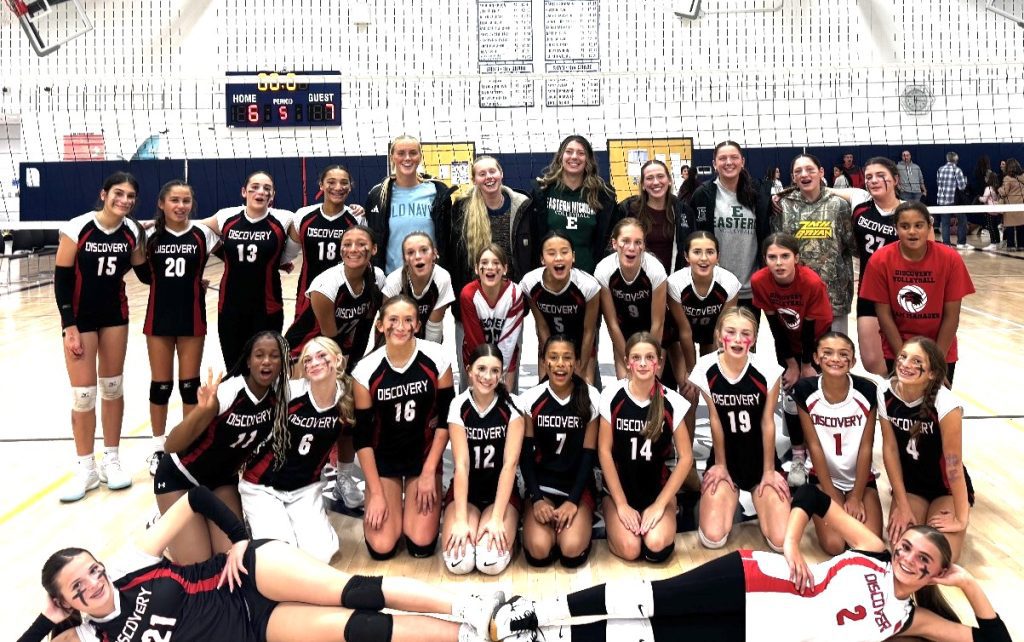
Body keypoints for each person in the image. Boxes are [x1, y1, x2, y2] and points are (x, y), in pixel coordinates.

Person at [488, 485, 1011, 642]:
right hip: (752, 577)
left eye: (925, 561)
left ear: (933, 574)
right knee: (649, 598)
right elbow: (810, 495)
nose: (909, 559)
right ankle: (538, 610)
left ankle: (545, 638)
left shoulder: (910, 619)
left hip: (755, 633)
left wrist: (965, 582)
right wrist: (789, 546)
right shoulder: (874, 551)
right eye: (909, 548)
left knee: (648, 637)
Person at [21, 487, 510, 642]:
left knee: (355, 591)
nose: (94, 583)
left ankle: (471, 602)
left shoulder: (131, 561)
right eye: (77, 587)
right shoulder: (85, 637)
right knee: (359, 630)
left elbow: (192, 499)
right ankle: (475, 634)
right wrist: (46, 620)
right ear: (66, 602)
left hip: (248, 571)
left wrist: (238, 540)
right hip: (255, 627)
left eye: (92, 570)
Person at [152, 331, 290, 564]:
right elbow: (171, 445)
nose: (267, 361)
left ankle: (187, 525)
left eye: (274, 356)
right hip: (179, 477)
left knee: (229, 559)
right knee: (200, 564)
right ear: (248, 361)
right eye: (259, 355)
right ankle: (164, 531)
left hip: (221, 481)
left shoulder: (281, 395)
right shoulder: (228, 392)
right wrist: (203, 411)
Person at [55, 172, 147, 502]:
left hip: (114, 316)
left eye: (131, 196)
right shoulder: (77, 227)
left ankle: (112, 459)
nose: (124, 201)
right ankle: (86, 468)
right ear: (104, 194)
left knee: (112, 387)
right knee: (83, 395)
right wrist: (69, 326)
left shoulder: (133, 231)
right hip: (80, 318)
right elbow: (62, 280)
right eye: (118, 194)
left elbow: (144, 273)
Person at [352, 295, 455, 560]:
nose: (401, 326)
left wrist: (430, 471)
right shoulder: (365, 370)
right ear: (381, 325)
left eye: (408, 320)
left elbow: (446, 421)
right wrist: (374, 492)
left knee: (420, 543)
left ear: (418, 325)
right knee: (383, 547)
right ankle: (388, 498)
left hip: (423, 459)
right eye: (393, 320)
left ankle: (413, 503)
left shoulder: (437, 357)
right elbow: (362, 439)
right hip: (385, 461)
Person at [239, 337, 352, 563]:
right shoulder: (288, 393)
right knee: (280, 556)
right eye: (308, 359)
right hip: (263, 485)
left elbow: (347, 440)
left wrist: (344, 475)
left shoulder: (346, 400)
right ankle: (254, 522)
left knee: (322, 556)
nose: (315, 362)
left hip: (305, 488)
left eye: (322, 356)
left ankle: (293, 521)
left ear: (337, 360)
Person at [688, 308, 790, 552]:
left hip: (760, 461)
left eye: (745, 333)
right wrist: (720, 464)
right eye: (730, 332)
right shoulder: (705, 367)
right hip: (728, 460)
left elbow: (768, 422)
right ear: (718, 335)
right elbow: (714, 419)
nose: (737, 339)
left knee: (780, 541)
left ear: (753, 339)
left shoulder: (768, 369)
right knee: (713, 538)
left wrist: (768, 471)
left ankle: (767, 496)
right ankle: (721, 497)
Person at [140, 180, 218, 476]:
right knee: (160, 386)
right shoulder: (148, 235)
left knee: (189, 386)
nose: (181, 206)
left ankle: (187, 444)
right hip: (158, 317)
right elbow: (141, 271)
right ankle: (159, 448)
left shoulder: (203, 235)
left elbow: (236, 253)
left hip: (192, 317)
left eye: (186, 200)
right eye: (175, 200)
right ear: (162, 203)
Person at [599, 332, 692, 563]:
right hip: (620, 491)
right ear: (627, 362)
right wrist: (621, 504)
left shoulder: (673, 401)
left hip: (656, 491)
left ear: (659, 363)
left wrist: (660, 504)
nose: (642, 363)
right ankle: (611, 510)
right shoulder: (612, 395)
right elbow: (604, 451)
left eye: (649, 357)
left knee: (656, 547)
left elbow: (686, 458)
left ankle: (670, 508)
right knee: (631, 549)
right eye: (636, 357)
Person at [880, 336, 973, 563]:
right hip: (911, 485)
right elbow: (890, 449)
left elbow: (953, 466)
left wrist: (961, 519)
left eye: (916, 361)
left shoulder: (946, 404)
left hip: (945, 488)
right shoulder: (884, 392)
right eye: (903, 357)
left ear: (932, 373)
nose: (905, 364)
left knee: (940, 557)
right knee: (901, 551)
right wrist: (901, 504)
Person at [859, 202, 975, 382]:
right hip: (897, 348)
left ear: (930, 226)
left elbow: (951, 317)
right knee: (900, 408)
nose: (912, 232)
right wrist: (904, 359)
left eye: (918, 225)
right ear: (895, 228)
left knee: (934, 407)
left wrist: (936, 362)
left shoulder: (950, 259)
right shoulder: (879, 260)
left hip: (940, 350)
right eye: (905, 226)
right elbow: (884, 316)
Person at [751, 233, 833, 487]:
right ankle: (798, 453)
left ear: (796, 258)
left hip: (816, 343)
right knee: (790, 394)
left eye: (785, 256)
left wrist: (807, 364)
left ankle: (822, 449)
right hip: (786, 342)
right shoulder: (760, 281)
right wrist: (791, 364)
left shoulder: (811, 282)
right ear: (764, 260)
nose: (779, 263)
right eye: (772, 257)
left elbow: (811, 328)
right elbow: (775, 324)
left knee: (815, 394)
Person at [791, 332, 883, 555]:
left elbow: (865, 447)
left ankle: (853, 500)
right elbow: (814, 446)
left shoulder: (867, 391)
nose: (835, 359)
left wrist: (856, 495)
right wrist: (832, 495)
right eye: (828, 353)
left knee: (869, 546)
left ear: (852, 361)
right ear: (816, 358)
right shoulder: (805, 391)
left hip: (860, 479)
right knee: (834, 546)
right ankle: (821, 508)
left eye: (844, 354)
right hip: (823, 479)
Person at [517, 335, 601, 568]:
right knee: (539, 551)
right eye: (553, 357)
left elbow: (588, 455)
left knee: (571, 550)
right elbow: (525, 456)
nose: (560, 363)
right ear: (544, 362)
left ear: (576, 362)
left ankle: (579, 522)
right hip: (542, 488)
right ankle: (547, 522)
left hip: (577, 487)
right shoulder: (531, 399)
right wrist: (536, 499)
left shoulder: (590, 397)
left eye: (567, 357)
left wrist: (573, 501)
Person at [441, 344, 525, 576]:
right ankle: (471, 522)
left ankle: (509, 532)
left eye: (495, 371)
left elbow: (509, 466)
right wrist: (460, 519)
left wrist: (497, 518)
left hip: (501, 496)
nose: (487, 377)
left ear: (502, 374)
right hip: (466, 494)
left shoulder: (513, 407)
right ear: (468, 370)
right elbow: (461, 465)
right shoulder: (459, 405)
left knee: (490, 563)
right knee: (459, 563)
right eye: (481, 369)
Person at [198, 171, 292, 368]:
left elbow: (306, 234)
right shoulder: (226, 216)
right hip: (231, 307)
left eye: (267, 189)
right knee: (234, 367)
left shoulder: (284, 219)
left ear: (273, 195)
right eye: (255, 187)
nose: (261, 192)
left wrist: (282, 260)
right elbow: (195, 230)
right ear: (244, 191)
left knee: (265, 367)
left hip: (267, 307)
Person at [690, 141, 773, 319]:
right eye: (722, 158)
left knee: (745, 344)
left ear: (742, 161)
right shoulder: (702, 194)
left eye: (734, 157)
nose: (729, 162)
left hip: (749, 288)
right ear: (714, 164)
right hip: (714, 286)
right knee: (713, 344)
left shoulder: (758, 193)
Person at [284, 225, 386, 370]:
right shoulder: (326, 285)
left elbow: (364, 327)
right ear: (340, 250)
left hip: (338, 347)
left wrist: (356, 365)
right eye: (347, 244)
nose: (353, 249)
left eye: (361, 244)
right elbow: (330, 341)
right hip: (303, 350)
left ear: (374, 249)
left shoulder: (378, 278)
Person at [775, 153, 855, 334]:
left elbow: (853, 247)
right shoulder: (783, 207)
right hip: (797, 296)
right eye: (798, 171)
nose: (804, 174)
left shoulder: (839, 205)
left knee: (834, 355)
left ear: (821, 172)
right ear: (793, 177)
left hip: (835, 296)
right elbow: (777, 248)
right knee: (803, 356)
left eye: (810, 170)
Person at [517, 134, 617, 274]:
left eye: (581, 153)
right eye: (569, 152)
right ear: (560, 157)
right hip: (551, 274)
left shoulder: (602, 195)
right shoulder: (542, 191)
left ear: (588, 160)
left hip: (589, 275)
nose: (574, 157)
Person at [289, 165, 366, 332]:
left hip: (344, 297)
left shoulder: (357, 219)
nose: (338, 187)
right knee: (303, 348)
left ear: (350, 187)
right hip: (308, 294)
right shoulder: (303, 215)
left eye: (344, 183)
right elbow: (289, 251)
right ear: (321, 185)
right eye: (331, 182)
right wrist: (282, 263)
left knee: (337, 346)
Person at [365, 134, 457, 273]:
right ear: (392, 157)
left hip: (431, 277)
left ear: (420, 157)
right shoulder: (377, 195)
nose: (407, 158)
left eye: (413, 153)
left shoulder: (438, 191)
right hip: (392, 279)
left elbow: (447, 238)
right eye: (401, 153)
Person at [519, 232, 601, 383]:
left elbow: (589, 330)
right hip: (550, 344)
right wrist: (550, 356)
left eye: (564, 252)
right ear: (542, 259)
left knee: (583, 393)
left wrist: (580, 366)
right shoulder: (530, 283)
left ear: (573, 257)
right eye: (551, 253)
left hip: (581, 346)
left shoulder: (589, 286)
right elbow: (542, 326)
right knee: (545, 391)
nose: (558, 257)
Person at [444, 155, 531, 299]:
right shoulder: (462, 210)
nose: (488, 177)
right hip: (475, 297)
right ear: (474, 180)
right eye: (482, 174)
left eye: (492, 171)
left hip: (512, 295)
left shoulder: (522, 206)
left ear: (501, 174)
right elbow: (456, 259)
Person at [594, 217, 668, 379]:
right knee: (626, 387)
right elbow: (612, 324)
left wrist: (649, 358)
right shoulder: (604, 270)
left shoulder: (655, 270)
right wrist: (628, 361)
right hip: (624, 333)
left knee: (651, 386)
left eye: (638, 242)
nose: (632, 247)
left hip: (652, 331)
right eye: (625, 241)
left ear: (644, 246)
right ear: (614, 244)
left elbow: (658, 323)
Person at [460, 244, 526, 391]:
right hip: (475, 355)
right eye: (484, 263)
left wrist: (498, 372)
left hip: (506, 357)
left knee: (504, 404)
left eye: (496, 263)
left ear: (505, 269)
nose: (490, 267)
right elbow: (474, 341)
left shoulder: (515, 293)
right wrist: (485, 370)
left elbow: (509, 340)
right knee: (478, 403)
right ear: (477, 268)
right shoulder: (468, 294)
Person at [381, 232, 455, 343]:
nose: (418, 256)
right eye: (410, 252)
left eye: (424, 250)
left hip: (428, 339)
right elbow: (389, 325)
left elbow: (434, 329)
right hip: (397, 338)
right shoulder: (394, 281)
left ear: (434, 254)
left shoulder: (442, 278)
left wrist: (427, 358)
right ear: (404, 259)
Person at [935, 151, 970, 248]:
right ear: (956, 160)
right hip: (954, 200)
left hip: (942, 200)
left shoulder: (940, 169)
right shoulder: (957, 170)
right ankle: (961, 243)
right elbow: (962, 187)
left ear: (947, 159)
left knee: (945, 222)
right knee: (962, 220)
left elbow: (938, 183)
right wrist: (965, 180)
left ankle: (946, 244)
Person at [997, 157, 1024, 251]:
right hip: (1021, 205)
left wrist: (998, 189)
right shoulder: (1023, 176)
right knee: (1021, 226)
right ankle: (1021, 246)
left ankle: (1011, 246)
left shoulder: (1007, 178)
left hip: (1010, 206)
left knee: (1010, 227)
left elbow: (1004, 192)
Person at [978, 169, 1003, 251]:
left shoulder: (988, 188)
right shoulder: (998, 188)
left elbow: (984, 200)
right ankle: (998, 243)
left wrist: (978, 198)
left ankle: (993, 243)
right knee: (995, 227)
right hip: (997, 210)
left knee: (991, 227)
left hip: (990, 210)